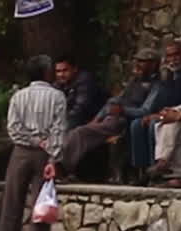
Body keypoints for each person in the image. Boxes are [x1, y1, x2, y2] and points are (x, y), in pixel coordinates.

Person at [0, 55, 66, 231]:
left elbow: (13, 128)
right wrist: (53, 156)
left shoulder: (18, 97)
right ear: (46, 73)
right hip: (44, 155)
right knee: (41, 205)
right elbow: (59, 129)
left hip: (20, 152)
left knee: (11, 204)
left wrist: (31, 140)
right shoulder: (57, 97)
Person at [59, 48, 161, 177]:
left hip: (125, 120)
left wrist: (124, 111)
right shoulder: (134, 81)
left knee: (80, 133)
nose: (138, 65)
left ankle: (63, 167)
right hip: (112, 117)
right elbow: (114, 101)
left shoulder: (157, 85)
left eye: (142, 62)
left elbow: (146, 110)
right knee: (76, 131)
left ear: (152, 64)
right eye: (137, 61)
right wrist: (98, 117)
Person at [129, 40, 181, 172]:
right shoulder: (166, 75)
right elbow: (161, 99)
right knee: (137, 124)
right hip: (164, 111)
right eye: (169, 56)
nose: (173, 59)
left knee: (154, 125)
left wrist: (160, 115)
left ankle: (156, 168)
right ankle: (141, 170)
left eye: (176, 55)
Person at [54, 53, 104, 128]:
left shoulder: (85, 81)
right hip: (72, 121)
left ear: (74, 69)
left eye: (65, 70)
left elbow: (80, 109)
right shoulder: (58, 84)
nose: (61, 74)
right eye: (58, 71)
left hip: (93, 121)